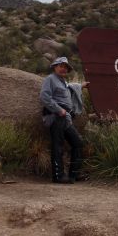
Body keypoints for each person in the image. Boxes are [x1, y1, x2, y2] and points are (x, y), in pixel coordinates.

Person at [39, 56, 89, 184]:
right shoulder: (50, 79)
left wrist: (82, 85)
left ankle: (74, 174)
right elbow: (44, 97)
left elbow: (71, 87)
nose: (63, 69)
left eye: (65, 67)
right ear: (55, 67)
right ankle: (58, 176)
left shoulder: (63, 82)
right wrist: (59, 110)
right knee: (58, 145)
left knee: (77, 143)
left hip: (65, 118)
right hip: (55, 116)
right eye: (61, 66)